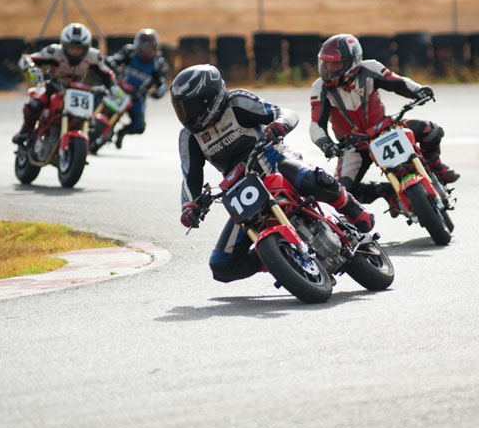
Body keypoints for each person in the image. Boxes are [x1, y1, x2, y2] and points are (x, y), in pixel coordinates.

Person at [172, 64, 375, 284]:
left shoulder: (237, 102)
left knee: (311, 179)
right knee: (221, 265)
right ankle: (285, 259)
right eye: (181, 108)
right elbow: (190, 177)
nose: (187, 115)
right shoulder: (188, 137)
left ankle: (352, 208)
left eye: (192, 106)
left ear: (211, 98)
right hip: (243, 191)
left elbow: (283, 113)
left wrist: (279, 125)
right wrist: (189, 207)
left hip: (276, 163)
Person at [309, 33, 460, 207]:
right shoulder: (319, 87)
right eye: (326, 63)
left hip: (386, 129)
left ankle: (435, 166)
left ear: (352, 61)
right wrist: (325, 143)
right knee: (340, 192)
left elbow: (398, 82)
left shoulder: (370, 68)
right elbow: (316, 124)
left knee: (431, 131)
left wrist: (418, 90)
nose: (329, 68)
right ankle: (385, 192)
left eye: (336, 64)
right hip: (353, 144)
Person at [13, 22, 122, 144]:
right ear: (64, 45)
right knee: (35, 104)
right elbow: (27, 58)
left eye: (79, 48)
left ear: (86, 48)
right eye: (72, 48)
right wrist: (31, 68)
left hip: (79, 92)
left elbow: (107, 74)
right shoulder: (54, 52)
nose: (75, 51)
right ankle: (25, 131)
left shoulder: (93, 56)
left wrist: (113, 87)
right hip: (54, 87)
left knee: (92, 118)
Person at [102, 28, 170, 149]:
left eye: (149, 47)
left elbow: (162, 83)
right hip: (118, 89)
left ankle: (122, 132)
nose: (146, 50)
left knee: (139, 126)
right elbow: (112, 59)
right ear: (138, 45)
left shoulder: (158, 63)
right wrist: (114, 66)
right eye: (144, 46)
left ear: (155, 47)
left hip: (136, 96)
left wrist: (158, 92)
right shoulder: (129, 52)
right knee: (97, 94)